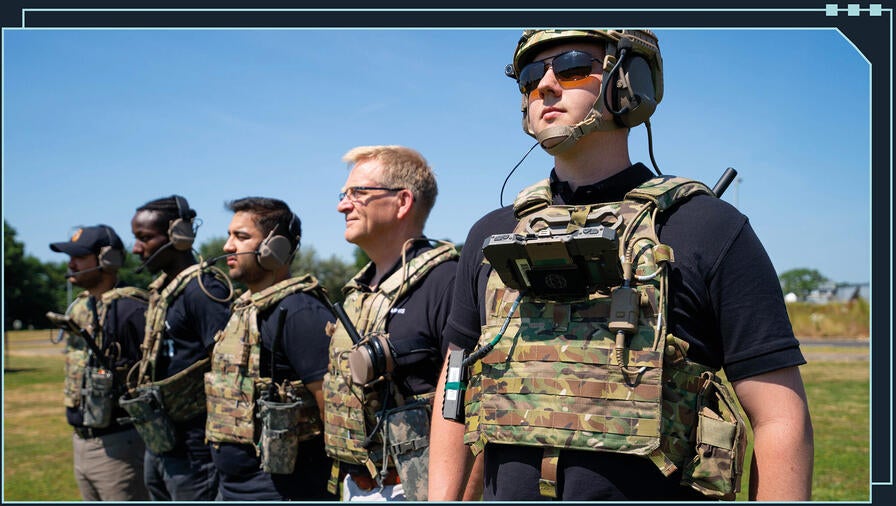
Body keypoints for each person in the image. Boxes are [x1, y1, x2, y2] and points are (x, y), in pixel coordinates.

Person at [429, 29, 814, 501]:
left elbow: (779, 418)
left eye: (572, 66)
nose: (545, 85)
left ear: (630, 79)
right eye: (530, 75)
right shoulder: (492, 235)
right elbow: (455, 390)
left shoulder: (707, 228)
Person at [323, 145, 469, 501]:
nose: (343, 206)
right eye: (344, 195)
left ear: (402, 201)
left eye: (357, 193)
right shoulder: (358, 291)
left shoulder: (447, 282)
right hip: (353, 485)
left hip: (414, 490)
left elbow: (473, 409)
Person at [204, 197, 337, 501]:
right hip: (232, 489)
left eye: (241, 237)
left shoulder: (300, 311)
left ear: (273, 247)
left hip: (283, 492)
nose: (227, 246)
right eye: (229, 235)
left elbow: (331, 408)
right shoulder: (245, 309)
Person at [120, 195, 231, 501]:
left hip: (195, 451)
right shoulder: (163, 290)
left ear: (178, 236)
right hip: (160, 439)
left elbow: (226, 368)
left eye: (145, 238)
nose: (136, 248)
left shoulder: (203, 291)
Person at [48, 224, 149, 501]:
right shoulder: (81, 307)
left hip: (119, 445)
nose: (71, 264)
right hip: (81, 441)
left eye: (79, 257)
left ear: (108, 259)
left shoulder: (131, 309)